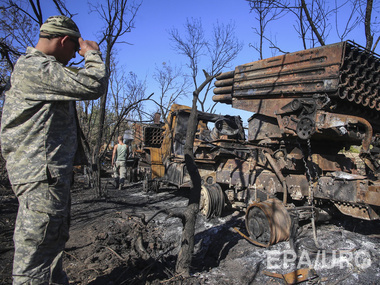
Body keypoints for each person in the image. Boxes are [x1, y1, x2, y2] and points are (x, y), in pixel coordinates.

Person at [0, 15, 108, 284]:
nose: (74, 55)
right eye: (74, 49)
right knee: (36, 258)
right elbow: (94, 83)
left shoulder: (39, 70)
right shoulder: (37, 69)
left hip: (44, 176)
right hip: (41, 176)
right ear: (63, 41)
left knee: (50, 248)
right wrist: (92, 54)